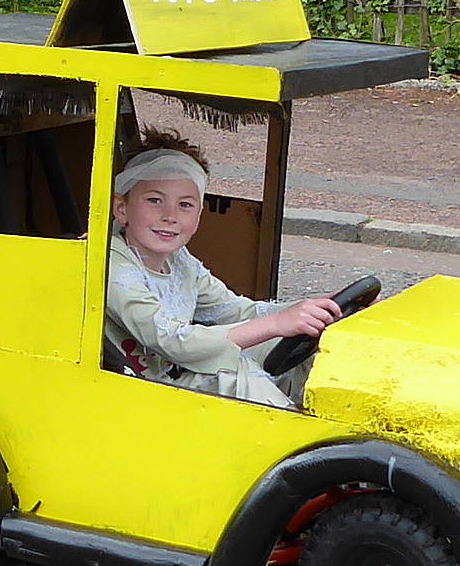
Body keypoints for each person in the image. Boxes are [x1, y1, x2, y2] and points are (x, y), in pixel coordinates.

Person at [104, 140, 346, 409]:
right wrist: (276, 323)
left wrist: (318, 307)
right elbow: (170, 341)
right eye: (154, 201)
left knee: (308, 348)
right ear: (121, 208)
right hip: (139, 396)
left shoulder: (181, 262)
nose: (170, 216)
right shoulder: (113, 264)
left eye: (185, 205)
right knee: (235, 374)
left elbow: (234, 310)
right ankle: (295, 435)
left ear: (198, 216)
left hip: (176, 377)